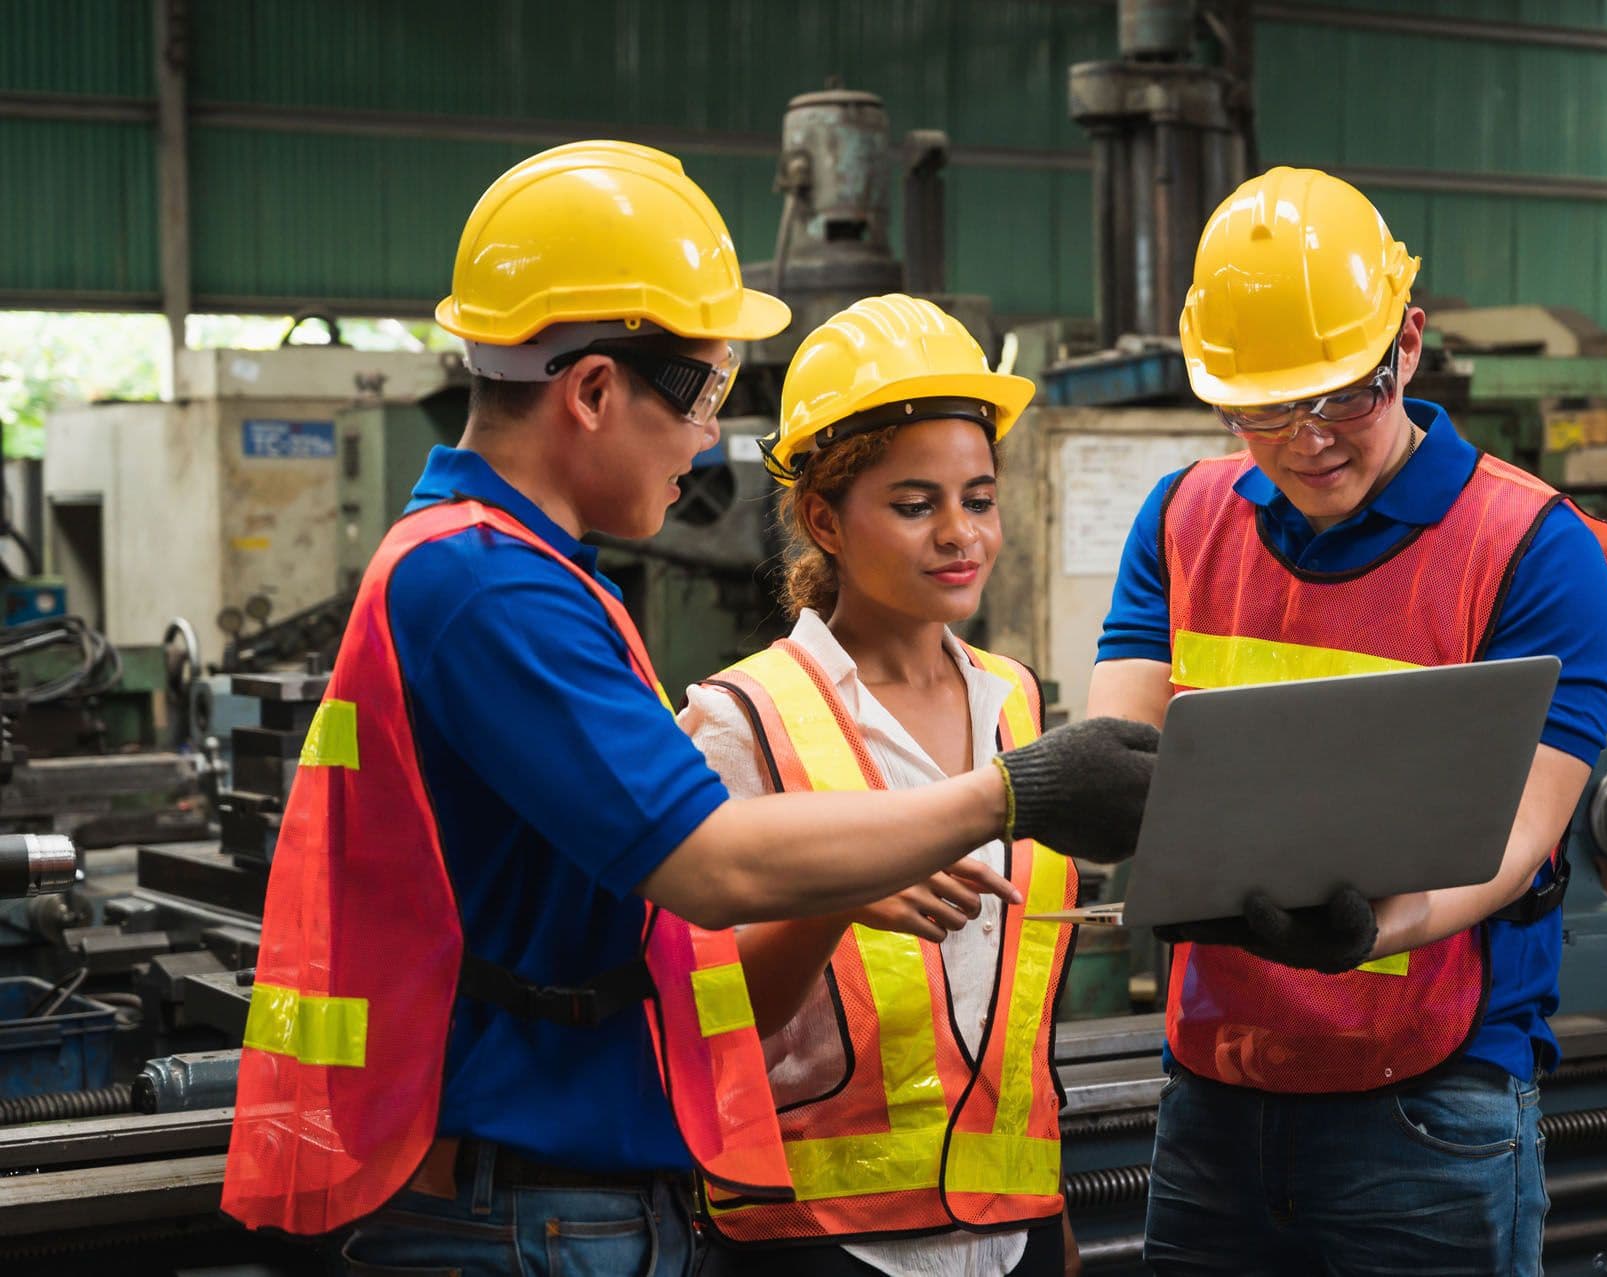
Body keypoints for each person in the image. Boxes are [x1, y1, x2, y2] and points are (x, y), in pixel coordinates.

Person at [219, 142, 1156, 1277]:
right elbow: (707, 861)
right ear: (596, 389)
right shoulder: (484, 586)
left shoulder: (527, 575)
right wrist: (1021, 790)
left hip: (569, 1199)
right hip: (529, 1212)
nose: (713, 433)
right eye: (707, 390)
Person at [1086, 167, 1607, 1275]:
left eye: (1344, 395)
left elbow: (1519, 839)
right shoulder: (1184, 519)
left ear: (1409, 345)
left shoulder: (1534, 548)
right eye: (1265, 405)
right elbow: (1128, 760)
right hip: (1215, 1096)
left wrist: (1370, 929)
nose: (1307, 437)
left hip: (1430, 1106)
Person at [681, 294, 1080, 1277]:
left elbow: (1021, 1012)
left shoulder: (1016, 704)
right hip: (823, 1240)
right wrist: (834, 897)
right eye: (916, 504)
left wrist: (1052, 1219)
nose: (962, 534)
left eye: (978, 498)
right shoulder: (744, 721)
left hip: (1012, 1227)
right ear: (825, 517)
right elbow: (707, 1015)